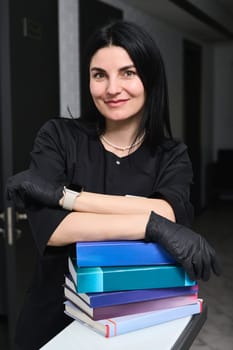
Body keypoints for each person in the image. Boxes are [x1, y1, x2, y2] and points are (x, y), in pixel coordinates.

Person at [7, 20, 220, 349]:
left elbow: (167, 210)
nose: (111, 88)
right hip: (54, 321)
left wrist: (66, 197)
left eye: (128, 73)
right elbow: (55, 230)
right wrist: (150, 225)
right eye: (99, 75)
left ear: (149, 77)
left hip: (140, 321)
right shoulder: (59, 137)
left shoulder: (171, 155)